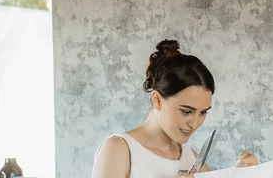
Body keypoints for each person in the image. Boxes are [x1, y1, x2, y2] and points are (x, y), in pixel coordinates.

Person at [93, 39, 256, 178]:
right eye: (186, 111)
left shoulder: (196, 163)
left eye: (203, 112)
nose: (195, 123)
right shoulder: (119, 149)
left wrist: (247, 175)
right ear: (157, 99)